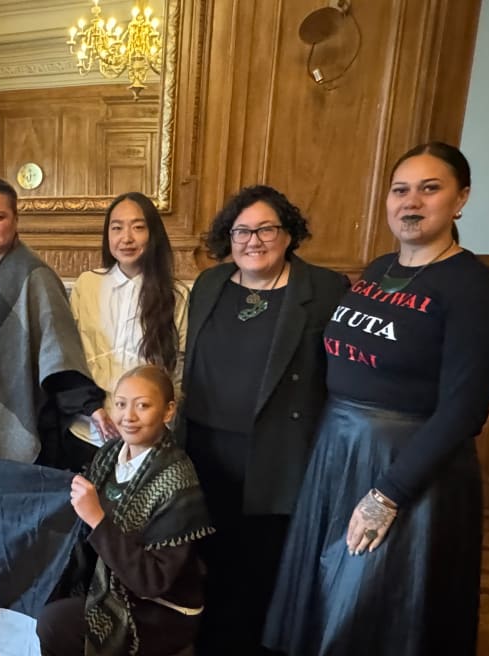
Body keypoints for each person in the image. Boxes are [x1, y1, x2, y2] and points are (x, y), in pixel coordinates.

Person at [264, 143, 489, 656]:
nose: (411, 202)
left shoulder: (480, 292)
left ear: (461, 199)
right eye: (400, 189)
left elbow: (464, 412)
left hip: (406, 470)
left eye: (430, 189)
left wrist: (387, 495)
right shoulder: (379, 269)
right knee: (323, 599)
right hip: (338, 452)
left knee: (369, 611)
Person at [181, 185, 348, 655]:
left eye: (266, 230)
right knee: (209, 561)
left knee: (263, 567)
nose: (253, 241)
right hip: (205, 450)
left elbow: (336, 378)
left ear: (288, 234)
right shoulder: (210, 284)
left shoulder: (324, 290)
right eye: (242, 231)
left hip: (276, 453)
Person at [37, 365, 212, 656]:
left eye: (142, 406)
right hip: (112, 585)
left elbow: (152, 582)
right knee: (48, 590)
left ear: (168, 411)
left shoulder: (177, 480)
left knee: (55, 624)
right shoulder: (108, 455)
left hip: (161, 608)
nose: (128, 416)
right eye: (120, 404)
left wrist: (97, 518)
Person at [0, 177, 105, 464]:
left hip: (19, 410)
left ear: (16, 220)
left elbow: (59, 349)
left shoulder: (34, 276)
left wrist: (89, 405)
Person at [68, 191, 189, 471]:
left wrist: (161, 420)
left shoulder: (175, 294)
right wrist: (91, 408)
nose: (126, 238)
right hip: (88, 429)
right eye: (117, 228)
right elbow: (70, 354)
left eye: (138, 227)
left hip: (146, 436)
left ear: (153, 234)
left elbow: (179, 368)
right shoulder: (87, 285)